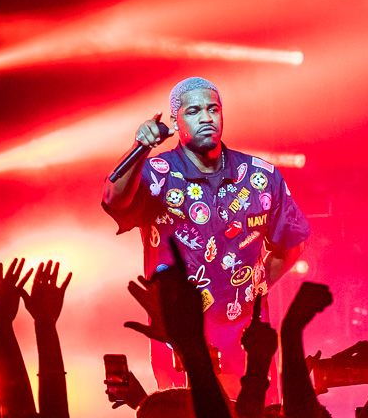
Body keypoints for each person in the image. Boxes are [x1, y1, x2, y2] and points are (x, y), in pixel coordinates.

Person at [103, 77, 310, 393]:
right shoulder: (156, 174)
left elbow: (293, 243)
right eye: (194, 111)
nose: (206, 118)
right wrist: (140, 148)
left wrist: (254, 288)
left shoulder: (260, 176)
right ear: (175, 121)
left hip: (247, 342)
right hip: (176, 341)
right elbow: (114, 199)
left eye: (213, 109)